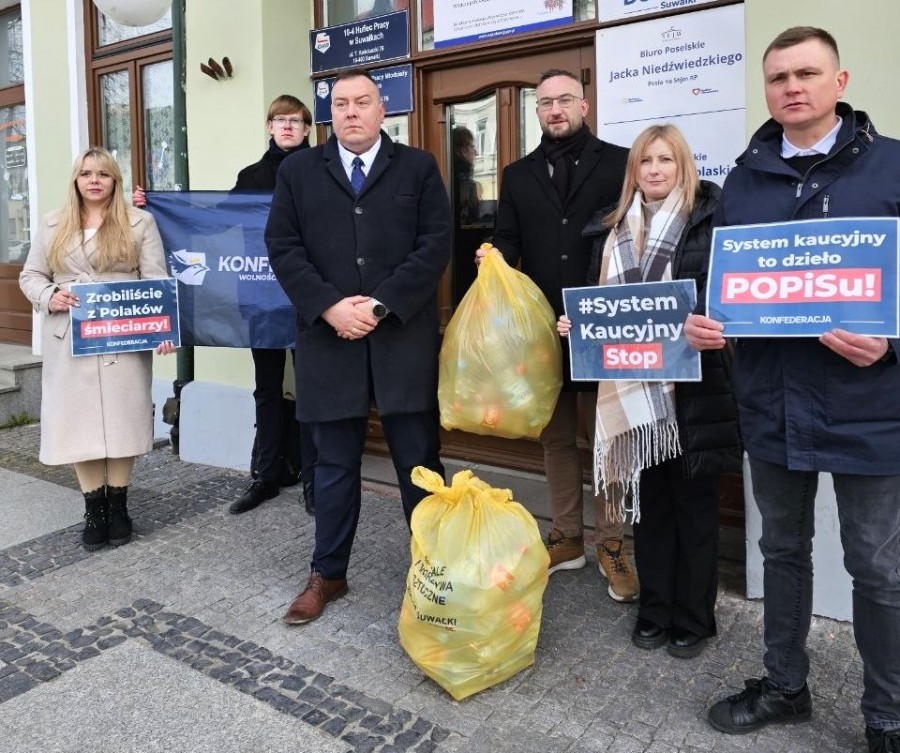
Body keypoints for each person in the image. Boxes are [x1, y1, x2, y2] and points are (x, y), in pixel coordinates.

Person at [685, 27, 900, 752]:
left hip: (871, 407)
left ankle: (888, 713)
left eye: (807, 73)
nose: (791, 87)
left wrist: (892, 340)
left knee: (876, 565)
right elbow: (731, 288)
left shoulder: (892, 168)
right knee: (782, 549)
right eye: (778, 78)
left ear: (840, 82)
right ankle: (785, 686)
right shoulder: (743, 179)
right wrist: (710, 324)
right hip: (772, 402)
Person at [265, 69, 451, 625]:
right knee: (334, 466)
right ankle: (328, 573)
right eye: (340, 103)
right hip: (329, 340)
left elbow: (435, 243)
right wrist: (329, 307)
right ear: (331, 114)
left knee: (419, 462)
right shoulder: (299, 170)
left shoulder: (416, 167)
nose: (350, 112)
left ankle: (434, 570)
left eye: (361, 102)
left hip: (400, 339)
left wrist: (380, 304)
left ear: (382, 109)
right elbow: (283, 245)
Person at [558, 124, 741, 658]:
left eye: (666, 160)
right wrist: (577, 326)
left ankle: (694, 617)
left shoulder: (711, 221)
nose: (655, 169)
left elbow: (729, 300)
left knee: (696, 506)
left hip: (696, 391)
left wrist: (714, 323)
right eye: (645, 161)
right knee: (651, 508)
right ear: (633, 171)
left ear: (683, 165)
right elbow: (600, 305)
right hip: (633, 393)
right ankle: (654, 609)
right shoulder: (609, 230)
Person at [479, 68, 639, 602]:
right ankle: (567, 536)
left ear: (584, 106)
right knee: (556, 438)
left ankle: (613, 544)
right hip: (542, 329)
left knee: (609, 440)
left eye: (565, 99)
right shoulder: (517, 174)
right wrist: (492, 255)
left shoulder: (620, 163)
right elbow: (507, 237)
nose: (554, 109)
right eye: (544, 102)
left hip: (602, 323)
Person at [134, 95, 318, 517]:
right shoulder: (251, 176)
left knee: (312, 391)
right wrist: (157, 208)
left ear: (307, 129)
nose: (287, 126)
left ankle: (314, 480)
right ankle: (266, 475)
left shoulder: (321, 169)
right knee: (267, 389)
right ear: (269, 127)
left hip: (310, 296)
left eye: (295, 120)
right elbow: (213, 221)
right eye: (279, 120)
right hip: (260, 295)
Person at [19, 147, 176, 551]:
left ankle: (119, 503)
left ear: (114, 180)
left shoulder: (140, 221)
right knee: (79, 422)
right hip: (69, 336)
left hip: (122, 334)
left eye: (103, 174)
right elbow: (31, 274)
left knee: (123, 417)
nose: (94, 180)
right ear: (76, 179)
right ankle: (94, 508)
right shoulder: (53, 223)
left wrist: (164, 328)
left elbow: (155, 280)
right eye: (86, 173)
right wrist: (49, 295)